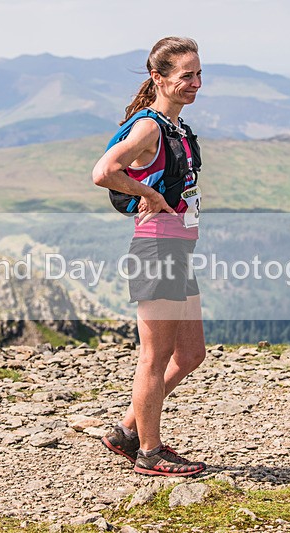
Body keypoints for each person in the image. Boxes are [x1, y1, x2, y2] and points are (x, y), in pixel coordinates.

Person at [91, 36, 207, 477]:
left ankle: (126, 432)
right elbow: (103, 172)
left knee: (191, 354)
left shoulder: (175, 126)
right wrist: (147, 193)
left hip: (177, 249)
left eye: (198, 75)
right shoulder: (151, 127)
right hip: (156, 248)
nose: (195, 83)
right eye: (186, 76)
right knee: (154, 359)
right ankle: (149, 452)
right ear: (158, 78)